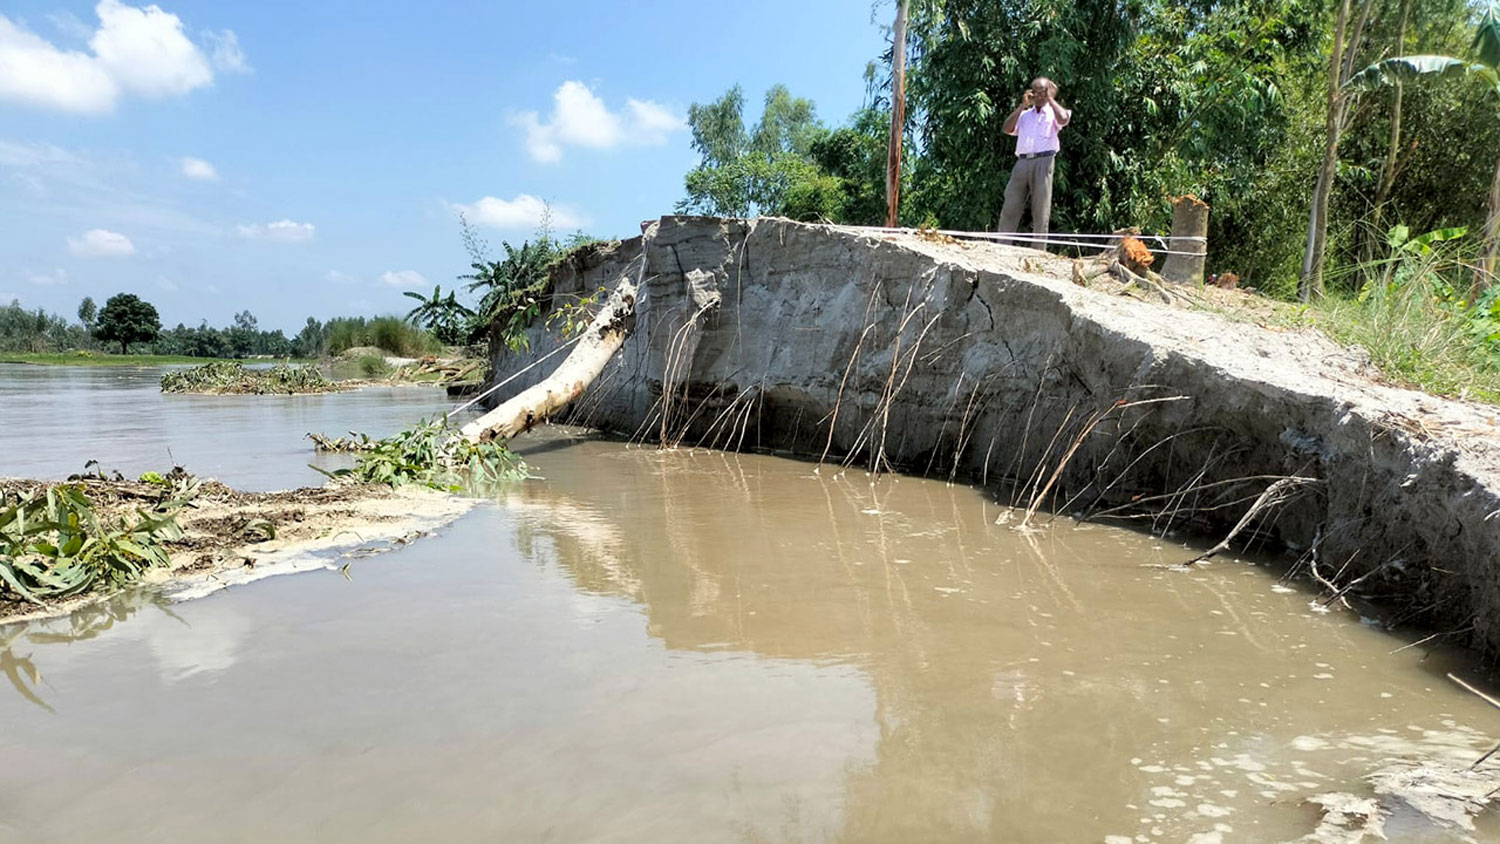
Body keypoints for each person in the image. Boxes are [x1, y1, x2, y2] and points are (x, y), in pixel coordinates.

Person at [998, 77, 1071, 243]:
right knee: (1011, 205)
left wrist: (1050, 99)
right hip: (1022, 162)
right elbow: (1007, 128)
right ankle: (1002, 246)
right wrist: (1022, 105)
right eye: (1035, 93)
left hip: (1044, 161)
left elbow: (1064, 119)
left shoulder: (1053, 113)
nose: (1039, 96)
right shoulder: (1024, 115)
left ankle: (1038, 252)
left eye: (1043, 93)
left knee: (1041, 210)